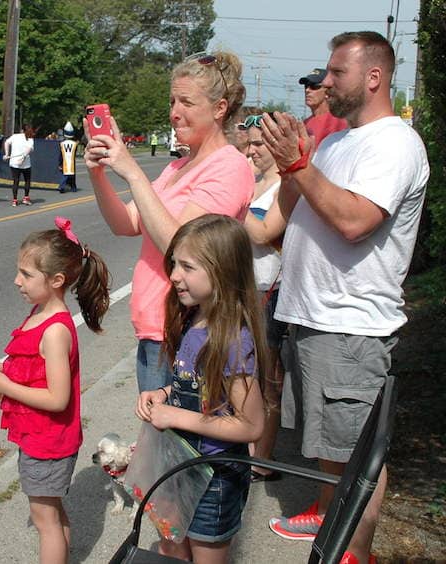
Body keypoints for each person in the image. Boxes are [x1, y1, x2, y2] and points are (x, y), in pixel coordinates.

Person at [261, 32, 430, 564]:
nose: (325, 82)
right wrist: (289, 156)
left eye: (337, 73)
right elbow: (283, 216)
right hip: (310, 317)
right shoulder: (334, 144)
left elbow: (356, 221)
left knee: (357, 457)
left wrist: (297, 165)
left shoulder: (396, 143)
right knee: (328, 445)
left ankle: (355, 554)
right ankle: (326, 512)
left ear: (373, 77)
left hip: (351, 326)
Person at [85, 50, 254, 393]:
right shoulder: (177, 167)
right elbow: (127, 223)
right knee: (155, 439)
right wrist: (98, 174)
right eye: (172, 101)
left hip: (187, 330)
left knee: (175, 442)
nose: (175, 113)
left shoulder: (228, 167)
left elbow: (183, 247)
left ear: (220, 108)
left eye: (187, 102)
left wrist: (131, 170)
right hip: (154, 329)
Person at [0, 217, 111, 564]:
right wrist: (8, 370)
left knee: (44, 520)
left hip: (48, 441)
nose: (16, 281)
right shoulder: (40, 311)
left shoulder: (55, 330)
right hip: (43, 438)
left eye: (26, 274)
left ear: (56, 280)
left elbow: (57, 398)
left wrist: (6, 386)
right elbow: (37, 369)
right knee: (52, 513)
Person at [136, 214, 267, 564]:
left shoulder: (233, 341)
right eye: (174, 263)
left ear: (222, 271)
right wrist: (165, 394)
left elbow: (250, 426)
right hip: (181, 465)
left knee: (205, 555)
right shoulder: (195, 319)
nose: (174, 275)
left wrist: (175, 414)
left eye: (187, 266)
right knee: (170, 546)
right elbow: (198, 386)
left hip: (214, 480)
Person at [240, 113, 288, 482]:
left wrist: (233, 204)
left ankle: (263, 458)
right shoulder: (250, 183)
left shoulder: (284, 188)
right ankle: (243, 445)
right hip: (239, 289)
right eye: (250, 143)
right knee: (240, 374)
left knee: (268, 378)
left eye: (259, 143)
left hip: (268, 291)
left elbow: (260, 234)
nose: (251, 149)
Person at [299, 68, 348, 147]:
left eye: (314, 86)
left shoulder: (338, 122)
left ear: (328, 91)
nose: (307, 90)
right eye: (306, 86)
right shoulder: (305, 123)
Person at [3, 124, 35, 206]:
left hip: (14, 163)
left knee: (16, 181)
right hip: (25, 164)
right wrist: (23, 158)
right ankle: (26, 198)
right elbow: (29, 149)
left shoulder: (15, 136)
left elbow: (6, 142)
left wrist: (7, 154)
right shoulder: (30, 139)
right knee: (27, 180)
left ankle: (15, 200)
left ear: (22, 130)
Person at [58, 121, 78, 193]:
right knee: (72, 174)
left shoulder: (62, 144)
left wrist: (60, 163)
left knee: (64, 174)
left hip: (64, 161)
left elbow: (61, 155)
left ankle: (62, 186)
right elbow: (75, 153)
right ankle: (73, 188)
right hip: (72, 161)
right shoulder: (75, 144)